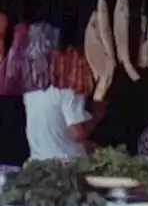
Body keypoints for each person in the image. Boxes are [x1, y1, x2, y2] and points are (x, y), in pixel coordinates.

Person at [22, 22, 106, 160]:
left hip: (37, 164)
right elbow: (77, 134)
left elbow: (53, 135)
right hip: (65, 170)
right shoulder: (66, 93)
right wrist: (97, 114)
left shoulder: (30, 94)